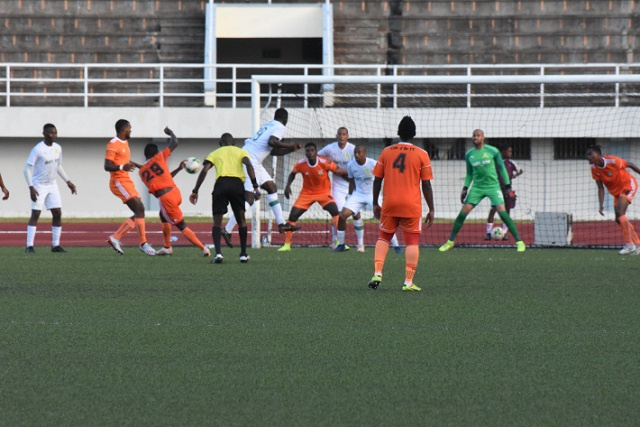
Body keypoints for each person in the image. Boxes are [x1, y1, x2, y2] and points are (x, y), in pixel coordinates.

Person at [367, 116, 434, 292]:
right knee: (412, 242)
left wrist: (375, 203)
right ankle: (408, 282)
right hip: (411, 205)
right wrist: (432, 209)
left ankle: (377, 273)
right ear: (414, 134)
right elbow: (426, 184)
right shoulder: (422, 154)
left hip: (389, 203)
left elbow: (377, 179)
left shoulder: (386, 152)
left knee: (384, 237)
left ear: (398, 133)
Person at [221, 108, 301, 246]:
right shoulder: (280, 127)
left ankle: (281, 224)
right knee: (249, 199)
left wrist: (290, 149)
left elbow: (273, 150)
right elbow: (272, 142)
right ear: (286, 121)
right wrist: (291, 145)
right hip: (250, 161)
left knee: (271, 187)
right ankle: (227, 229)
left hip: (253, 160)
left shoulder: (269, 125)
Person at [439, 129, 526, 253]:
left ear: (483, 137)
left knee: (503, 213)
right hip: (477, 188)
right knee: (462, 213)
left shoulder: (492, 151)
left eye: (478, 135)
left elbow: (502, 168)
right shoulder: (469, 154)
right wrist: (465, 189)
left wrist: (507, 187)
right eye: (474, 135)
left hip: (493, 186)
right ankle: (450, 242)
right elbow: (469, 173)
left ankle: (519, 242)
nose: (475, 137)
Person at [138, 127, 210, 258]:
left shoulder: (142, 172)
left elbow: (157, 186)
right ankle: (167, 247)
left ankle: (203, 248)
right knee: (163, 215)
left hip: (166, 198)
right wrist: (170, 133)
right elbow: (175, 142)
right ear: (156, 152)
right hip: (175, 192)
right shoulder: (160, 157)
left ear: (145, 155)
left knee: (181, 225)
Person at [190, 133, 261, 264]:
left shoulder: (215, 153)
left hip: (221, 185)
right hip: (237, 186)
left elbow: (205, 170)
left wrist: (195, 190)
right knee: (241, 220)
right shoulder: (240, 151)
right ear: (233, 143)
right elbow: (249, 165)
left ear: (220, 143)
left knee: (217, 222)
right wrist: (255, 186)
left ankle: (218, 254)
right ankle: (243, 254)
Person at [278, 142, 347, 252]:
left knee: (335, 211)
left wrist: (350, 173)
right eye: (308, 151)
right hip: (307, 194)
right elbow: (293, 173)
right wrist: (287, 186)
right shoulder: (301, 163)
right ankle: (287, 245)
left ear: (316, 152)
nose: (310, 153)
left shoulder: (324, 162)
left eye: (312, 151)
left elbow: (336, 169)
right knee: (293, 215)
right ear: (305, 153)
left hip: (323, 193)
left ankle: (340, 242)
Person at [334, 144, 401, 253]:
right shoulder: (351, 165)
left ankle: (396, 246)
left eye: (359, 153)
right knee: (342, 216)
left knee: (385, 218)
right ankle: (341, 244)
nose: (357, 155)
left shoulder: (373, 164)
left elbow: (385, 178)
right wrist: (350, 196)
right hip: (357, 195)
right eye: (355, 153)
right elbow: (351, 181)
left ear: (364, 153)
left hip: (372, 195)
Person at [104, 119, 156, 256]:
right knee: (139, 209)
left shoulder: (125, 143)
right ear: (123, 129)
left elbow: (124, 161)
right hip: (118, 182)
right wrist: (122, 167)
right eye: (129, 128)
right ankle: (141, 243)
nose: (130, 130)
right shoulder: (112, 144)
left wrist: (139, 166)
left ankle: (117, 238)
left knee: (140, 210)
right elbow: (107, 165)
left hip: (126, 180)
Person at [23, 123, 77, 253]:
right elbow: (26, 169)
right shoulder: (38, 149)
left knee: (57, 213)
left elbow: (58, 166)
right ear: (44, 134)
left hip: (52, 184)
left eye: (55, 133)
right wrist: (31, 187)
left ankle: (55, 245)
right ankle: (29, 245)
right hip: (39, 185)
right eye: (51, 133)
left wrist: (68, 181)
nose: (54, 135)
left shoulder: (58, 148)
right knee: (36, 213)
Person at [586, 145, 640, 255]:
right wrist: (601, 205)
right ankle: (637, 243)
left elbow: (630, 164)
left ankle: (629, 244)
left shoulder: (612, 161)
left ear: (598, 154)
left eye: (591, 154)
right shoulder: (594, 169)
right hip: (617, 193)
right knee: (618, 219)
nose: (588, 157)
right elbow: (600, 187)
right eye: (587, 155)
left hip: (628, 185)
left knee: (620, 212)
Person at [484, 145, 523, 240]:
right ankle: (488, 233)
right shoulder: (495, 162)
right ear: (503, 152)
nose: (510, 153)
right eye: (509, 151)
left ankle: (504, 233)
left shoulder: (511, 163)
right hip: (496, 190)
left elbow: (520, 170)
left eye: (511, 152)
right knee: (493, 209)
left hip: (507, 190)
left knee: (507, 211)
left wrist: (513, 176)